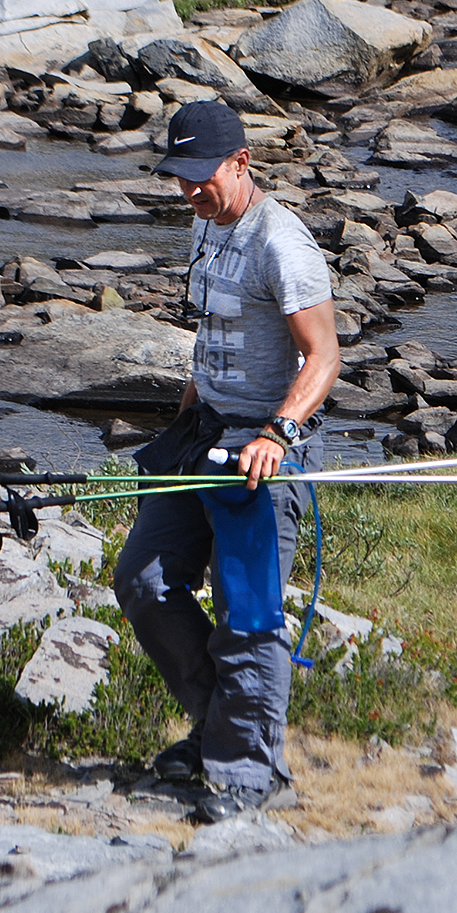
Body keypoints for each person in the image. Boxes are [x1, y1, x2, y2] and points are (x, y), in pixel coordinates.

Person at [111, 99, 341, 823]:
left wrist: (278, 431)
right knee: (144, 581)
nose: (187, 191)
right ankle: (219, 730)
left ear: (241, 162)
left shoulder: (283, 244)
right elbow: (214, 337)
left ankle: (252, 769)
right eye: (177, 178)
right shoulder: (206, 225)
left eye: (198, 177)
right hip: (201, 431)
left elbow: (324, 354)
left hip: (261, 450)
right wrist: (186, 410)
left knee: (246, 610)